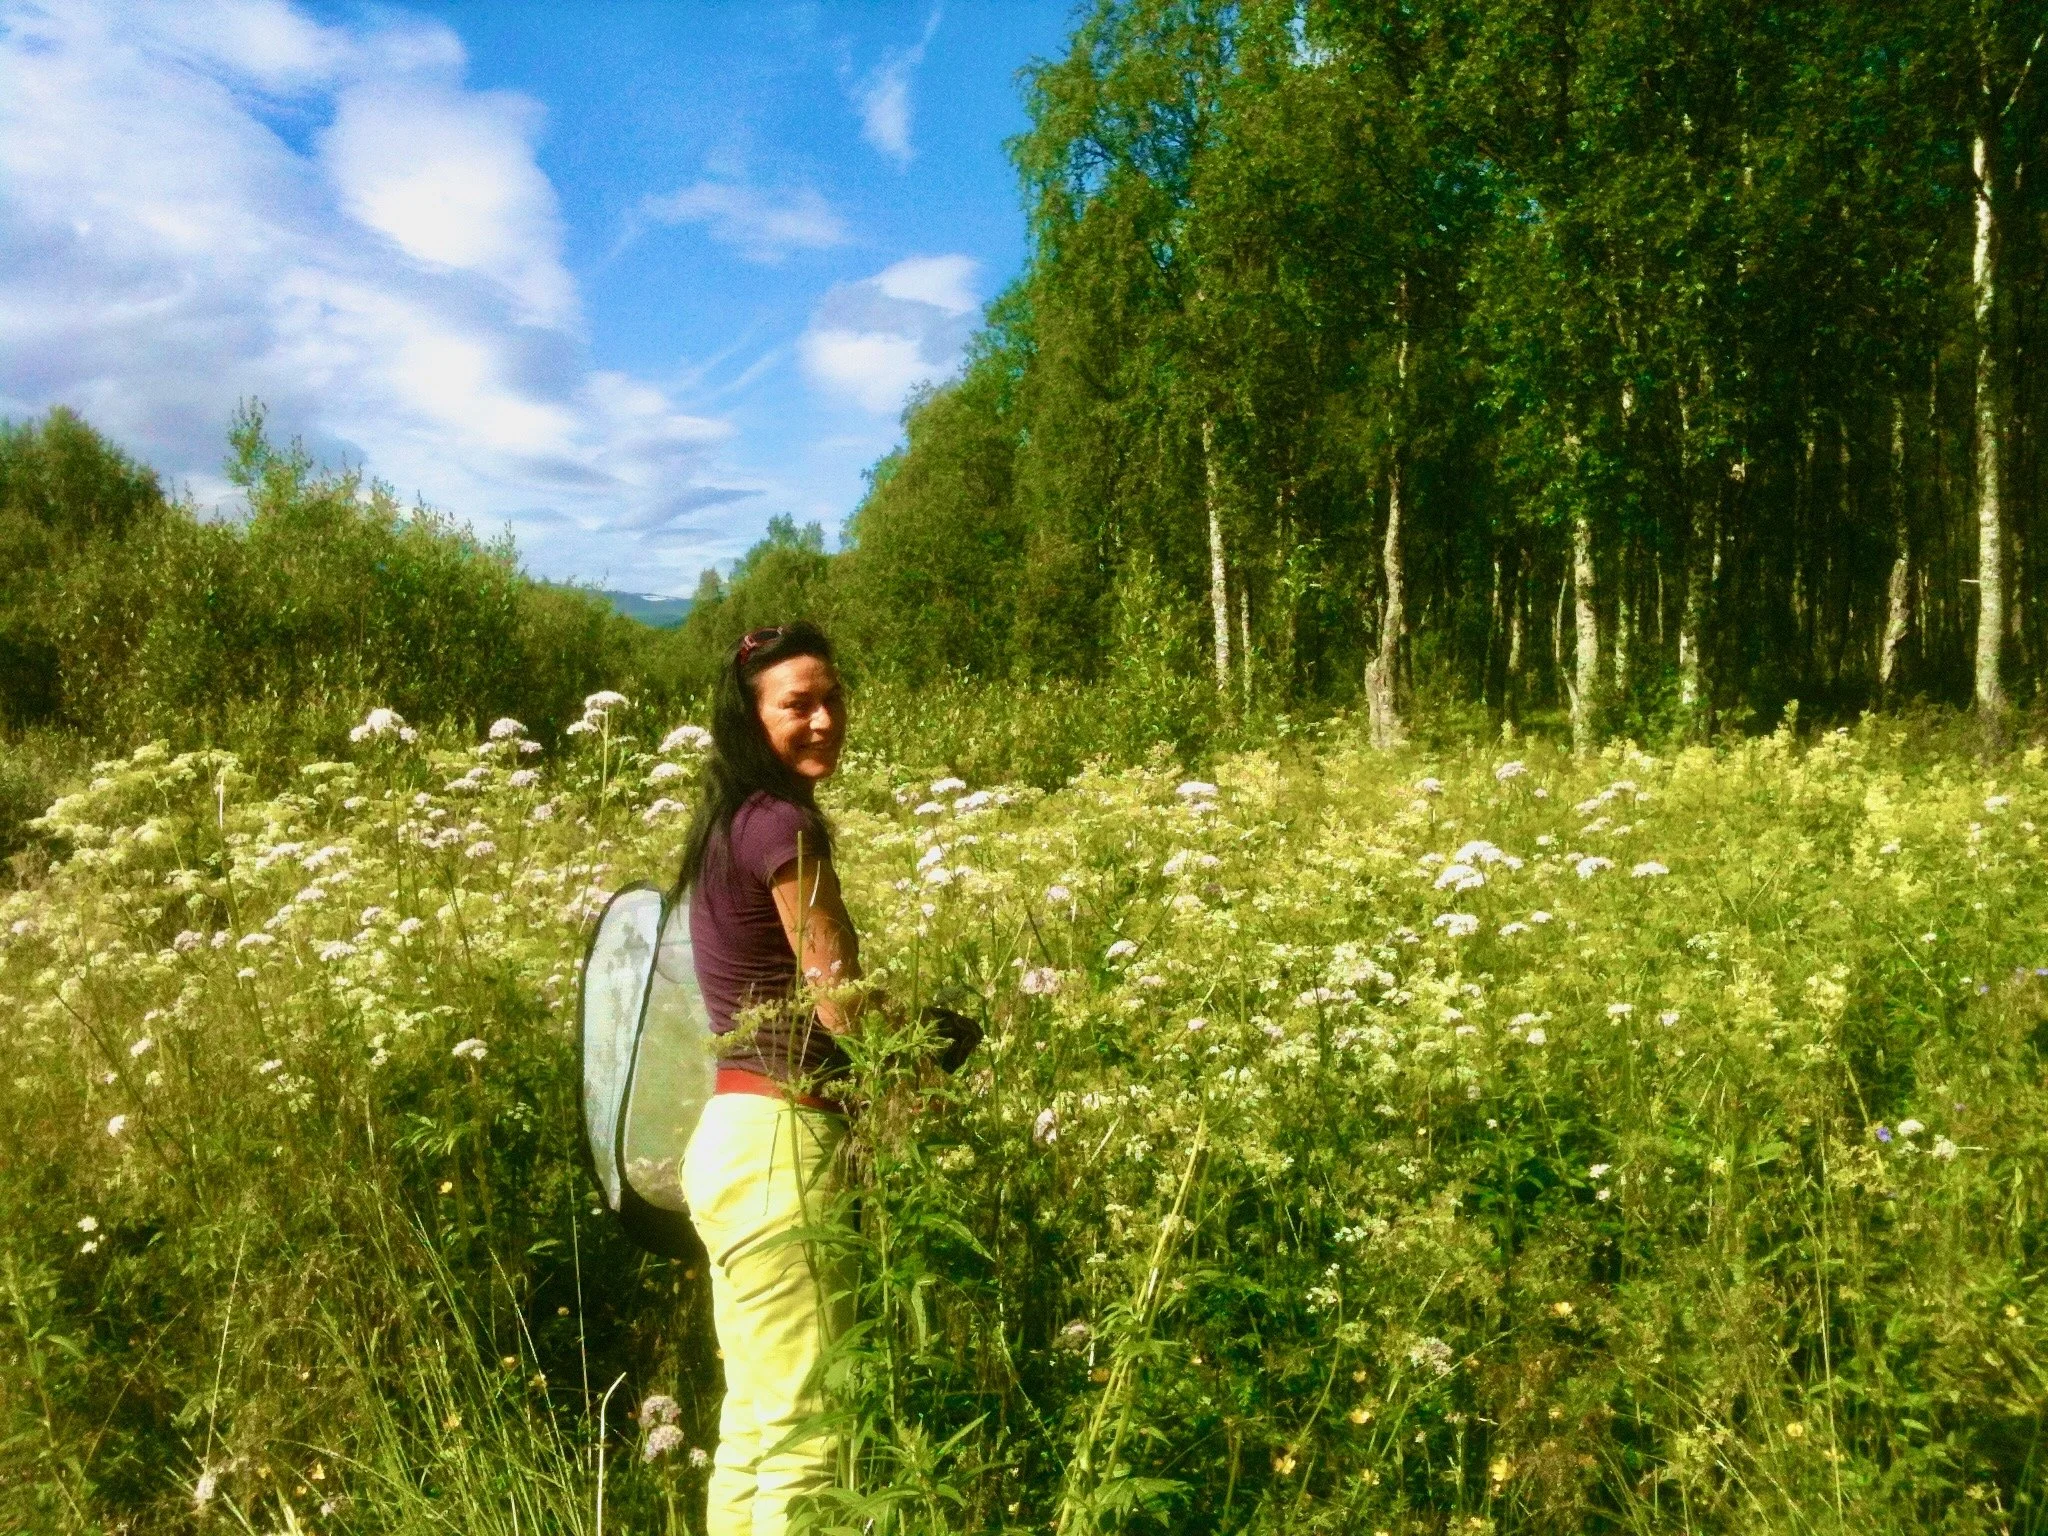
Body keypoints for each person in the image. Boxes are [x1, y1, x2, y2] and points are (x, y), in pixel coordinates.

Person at [675, 621, 865, 1536]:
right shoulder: (782, 825)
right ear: (751, 719)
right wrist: (931, 1048)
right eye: (798, 704)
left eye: (832, 698)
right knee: (807, 1432)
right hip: (786, 1146)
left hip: (728, 1145)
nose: (824, 718)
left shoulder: (727, 823)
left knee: (754, 1419)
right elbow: (842, 1004)